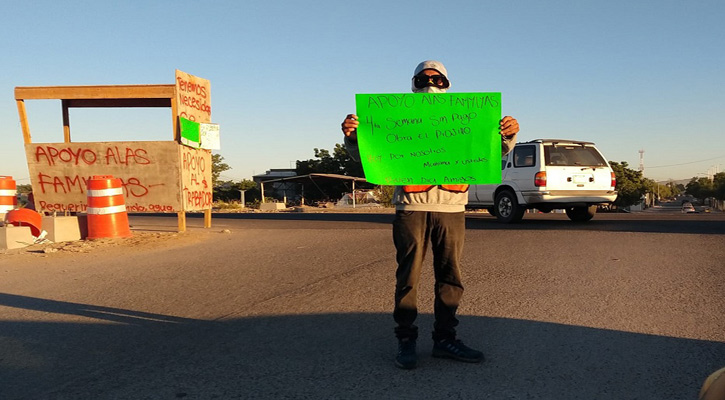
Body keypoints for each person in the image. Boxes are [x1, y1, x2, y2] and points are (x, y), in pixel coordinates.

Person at [341, 60, 519, 370]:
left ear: (447, 83)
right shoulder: (394, 116)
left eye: (437, 78)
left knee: (450, 277)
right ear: (413, 83)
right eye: (423, 78)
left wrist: (508, 134)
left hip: (451, 207)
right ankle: (406, 340)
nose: (430, 83)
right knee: (408, 277)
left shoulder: (469, 116)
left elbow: (494, 151)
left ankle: (445, 339)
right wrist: (354, 137)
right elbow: (369, 157)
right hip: (410, 207)